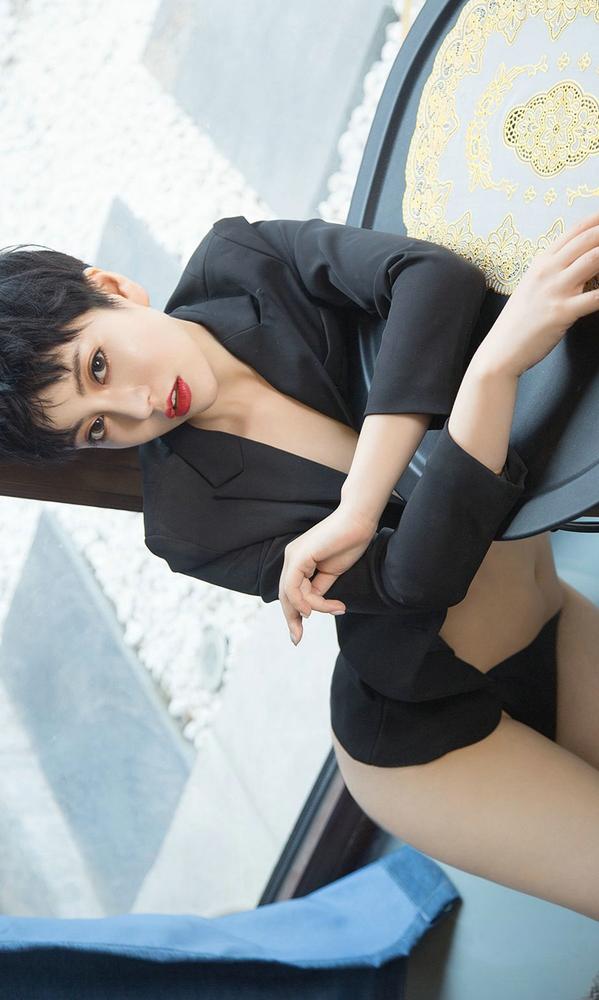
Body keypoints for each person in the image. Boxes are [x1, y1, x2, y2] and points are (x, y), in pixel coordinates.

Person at [1, 212, 599, 918]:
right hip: (431, 736)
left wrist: (358, 504)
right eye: (97, 429)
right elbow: (417, 580)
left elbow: (432, 276)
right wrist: (493, 369)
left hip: (547, 615)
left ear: (112, 288)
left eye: (98, 365)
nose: (137, 408)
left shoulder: (241, 260)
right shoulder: (188, 528)